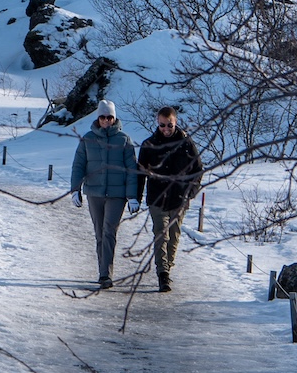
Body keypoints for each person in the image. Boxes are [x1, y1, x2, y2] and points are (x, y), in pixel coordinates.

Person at [70, 101, 139, 288]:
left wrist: (132, 196)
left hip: (117, 195)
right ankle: (103, 269)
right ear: (98, 118)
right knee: (99, 233)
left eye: (110, 117)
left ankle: (105, 274)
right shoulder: (88, 139)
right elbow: (78, 166)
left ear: (115, 118)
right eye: (103, 117)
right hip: (94, 193)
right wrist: (75, 189)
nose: (107, 120)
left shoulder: (124, 140)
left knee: (109, 231)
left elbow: (132, 169)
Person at [138, 105, 203, 292]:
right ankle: (163, 273)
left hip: (179, 198)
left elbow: (197, 171)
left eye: (169, 125)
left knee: (174, 236)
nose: (166, 129)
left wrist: (190, 192)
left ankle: (168, 267)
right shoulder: (149, 145)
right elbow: (140, 173)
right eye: (162, 125)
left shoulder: (186, 144)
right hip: (157, 199)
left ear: (175, 123)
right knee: (161, 235)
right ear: (157, 124)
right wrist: (135, 197)